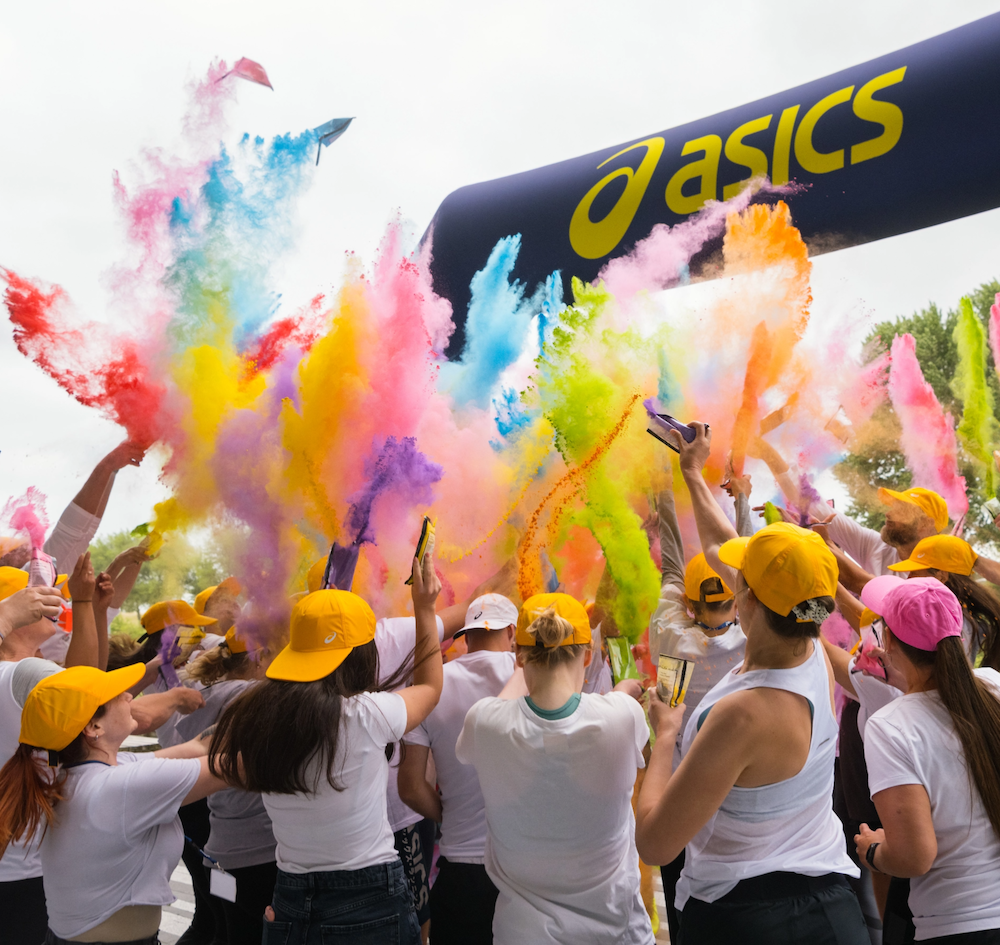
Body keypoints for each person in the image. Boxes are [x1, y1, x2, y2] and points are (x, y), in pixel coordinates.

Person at [635, 423, 866, 945]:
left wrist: (666, 734)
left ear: (747, 602)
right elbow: (725, 545)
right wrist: (691, 472)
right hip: (830, 909)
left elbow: (655, 844)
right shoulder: (813, 650)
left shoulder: (743, 715)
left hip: (752, 919)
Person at [209, 554, 444, 945]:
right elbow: (431, 689)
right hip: (369, 895)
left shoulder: (256, 717)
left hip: (290, 893)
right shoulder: (367, 714)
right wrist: (425, 607)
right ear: (362, 655)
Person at [455, 592, 652, 945]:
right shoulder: (621, 715)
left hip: (522, 935)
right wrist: (623, 692)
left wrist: (524, 664)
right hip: (617, 934)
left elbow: (504, 710)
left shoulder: (485, 723)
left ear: (518, 655)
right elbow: (613, 711)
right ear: (588, 655)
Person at [0, 662, 229, 944]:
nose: (129, 696)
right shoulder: (121, 785)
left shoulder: (87, 772)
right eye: (117, 694)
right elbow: (237, 767)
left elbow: (199, 747)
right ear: (93, 726)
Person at [855, 576, 1000, 943]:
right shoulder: (992, 686)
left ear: (887, 640)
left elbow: (914, 857)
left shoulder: (890, 726)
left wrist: (874, 850)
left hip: (957, 924)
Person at [646, 469, 750, 943]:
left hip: (680, 791)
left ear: (689, 604)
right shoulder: (753, 637)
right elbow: (748, 560)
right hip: (739, 789)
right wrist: (742, 501)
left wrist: (663, 493)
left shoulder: (672, 633)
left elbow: (671, 565)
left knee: (683, 904)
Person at [398, 592, 519, 945]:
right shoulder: (529, 677)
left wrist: (448, 814)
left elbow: (410, 787)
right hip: (522, 864)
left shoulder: (430, 687)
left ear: (465, 636)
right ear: (512, 631)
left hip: (461, 870)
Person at [177, 626, 276, 945]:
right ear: (260, 656)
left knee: (216, 930)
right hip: (255, 852)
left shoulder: (207, 695)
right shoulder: (251, 695)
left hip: (217, 846)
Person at [0, 583, 66, 945]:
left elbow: (87, 680)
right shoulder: (19, 675)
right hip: (18, 874)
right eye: (35, 597)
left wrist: (90, 607)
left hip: (29, 866)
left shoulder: (27, 673)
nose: (51, 600)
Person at [887, 534, 1000, 669]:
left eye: (915, 572)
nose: (908, 578)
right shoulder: (955, 617)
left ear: (941, 576)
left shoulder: (955, 626)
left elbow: (944, 683)